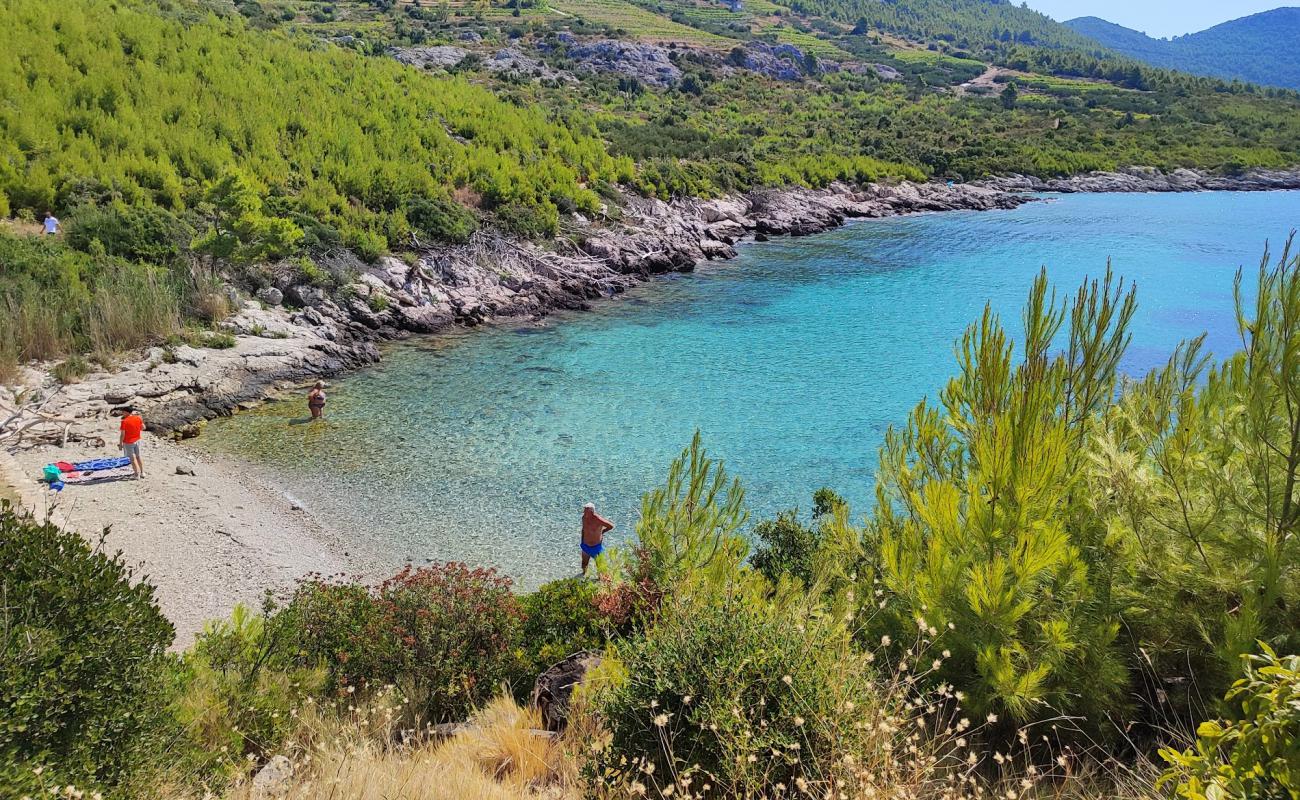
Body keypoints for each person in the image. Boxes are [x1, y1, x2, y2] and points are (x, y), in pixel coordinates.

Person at [580, 502, 614, 574]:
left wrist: (602, 532)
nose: (584, 512)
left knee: (600, 567)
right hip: (585, 546)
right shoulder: (583, 518)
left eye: (586, 511)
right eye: (584, 510)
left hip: (596, 547)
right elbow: (583, 529)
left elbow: (611, 526)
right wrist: (582, 541)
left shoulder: (598, 519)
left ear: (592, 512)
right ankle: (583, 578)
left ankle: (600, 582)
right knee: (584, 564)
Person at [119, 406, 145, 479]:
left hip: (128, 442)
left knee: (132, 459)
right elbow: (143, 427)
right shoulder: (138, 418)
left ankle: (136, 475)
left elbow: (122, 435)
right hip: (137, 440)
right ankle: (142, 472)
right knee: (138, 456)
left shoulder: (124, 421)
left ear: (127, 412)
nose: (122, 413)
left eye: (123, 412)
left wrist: (120, 444)